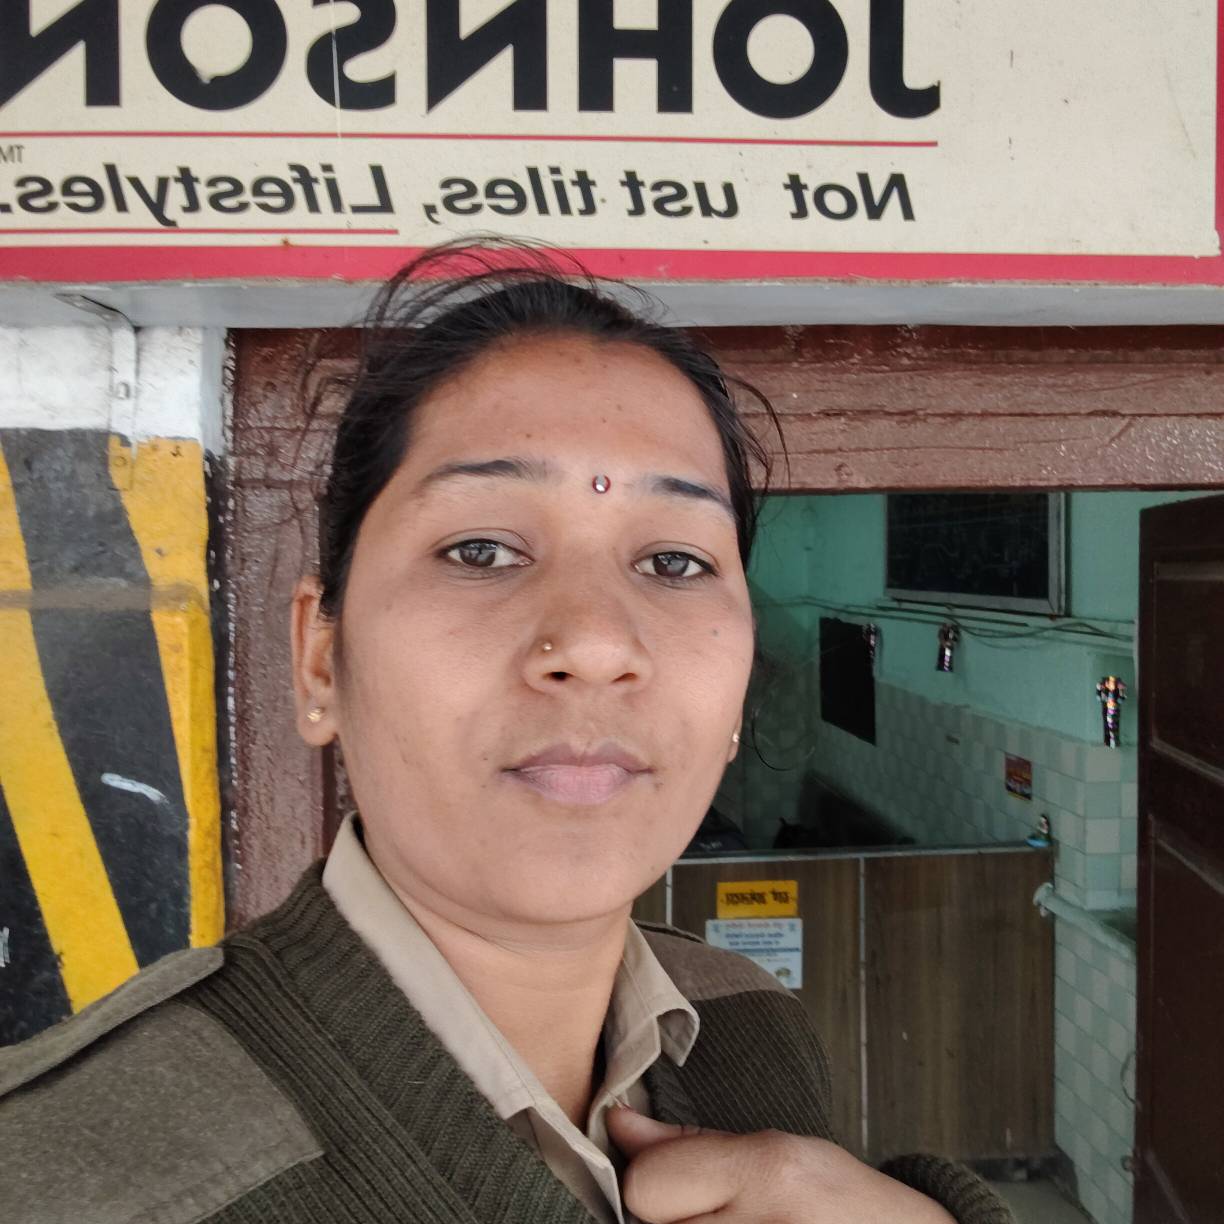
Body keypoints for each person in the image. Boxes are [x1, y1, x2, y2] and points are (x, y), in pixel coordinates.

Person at [0, 242, 1012, 1223]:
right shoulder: (76, 1181)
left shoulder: (750, 1031)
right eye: (481, 548)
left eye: (674, 563)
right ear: (320, 659)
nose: (597, 644)